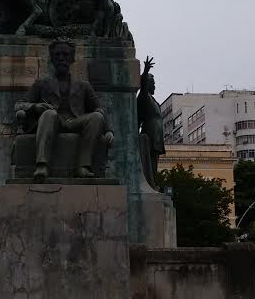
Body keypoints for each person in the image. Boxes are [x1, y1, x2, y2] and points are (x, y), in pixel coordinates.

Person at [16, 37, 114, 181]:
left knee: (96, 117)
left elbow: (99, 108)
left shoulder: (83, 85)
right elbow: (19, 105)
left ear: (72, 58)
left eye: (65, 54)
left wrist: (109, 130)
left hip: (75, 122)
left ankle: (83, 166)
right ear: (52, 59)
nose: (61, 58)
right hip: (52, 121)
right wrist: (36, 106)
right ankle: (42, 165)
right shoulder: (42, 83)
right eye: (57, 55)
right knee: (49, 114)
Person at [137, 56, 165, 188]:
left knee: (154, 162)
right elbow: (142, 86)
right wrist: (146, 70)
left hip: (157, 136)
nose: (155, 86)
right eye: (153, 83)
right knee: (149, 161)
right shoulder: (144, 97)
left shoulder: (153, 100)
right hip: (150, 134)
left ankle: (153, 183)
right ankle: (150, 184)